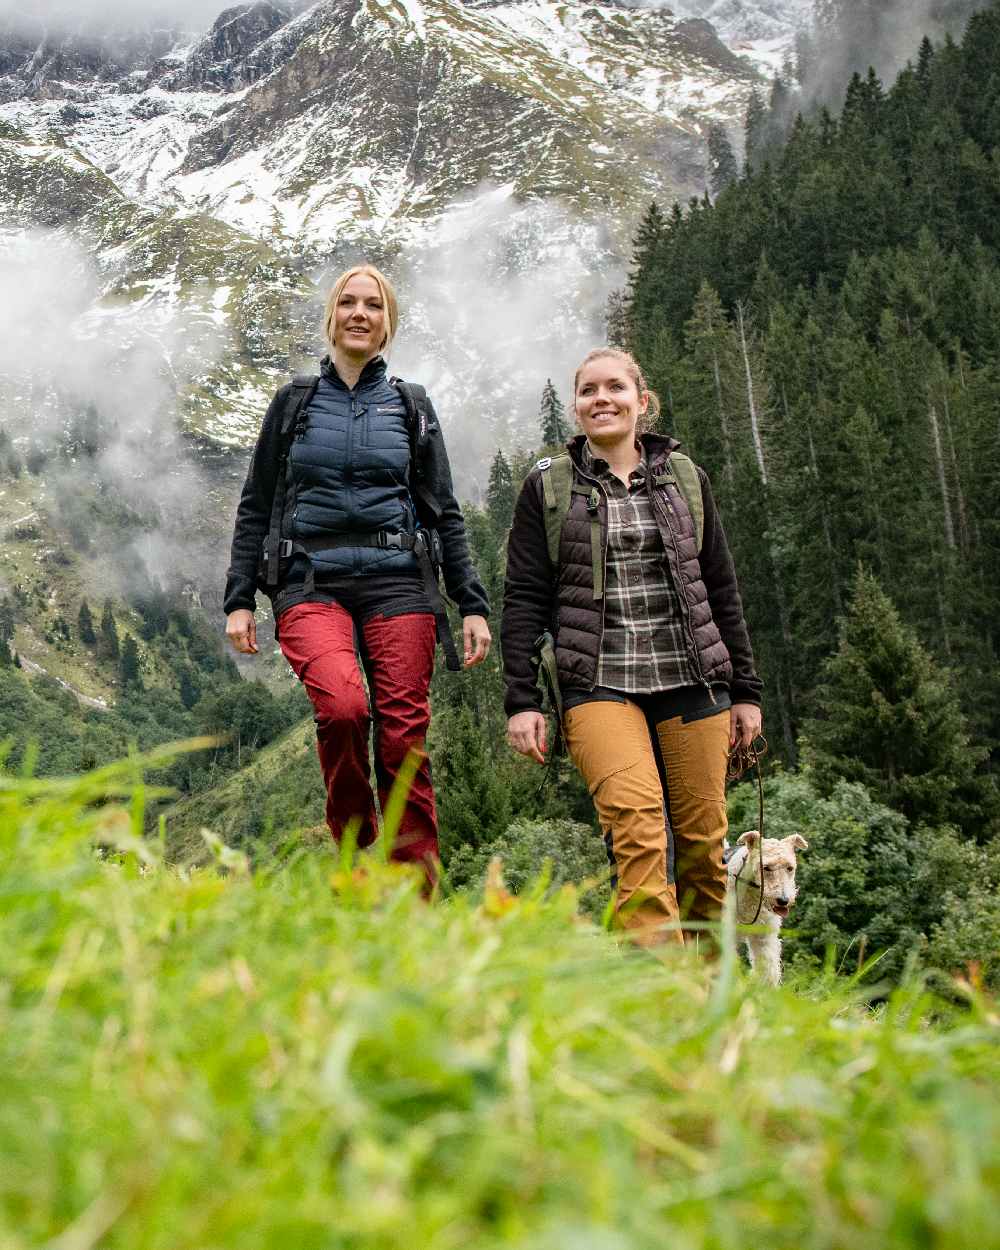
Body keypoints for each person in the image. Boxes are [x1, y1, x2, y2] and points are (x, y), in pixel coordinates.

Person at [223, 264, 491, 885]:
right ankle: (356, 845)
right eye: (349, 302)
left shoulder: (410, 406)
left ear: (388, 324)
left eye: (374, 305)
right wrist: (240, 598)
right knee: (343, 707)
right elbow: (256, 503)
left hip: (400, 583)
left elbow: (442, 511)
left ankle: (414, 900)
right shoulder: (293, 404)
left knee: (403, 739)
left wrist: (470, 603)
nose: (360, 313)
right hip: (309, 580)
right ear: (332, 316)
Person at [501, 347, 762, 948]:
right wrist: (522, 700)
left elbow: (721, 587)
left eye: (615, 388)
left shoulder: (685, 479)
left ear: (642, 402)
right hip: (598, 683)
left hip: (693, 676)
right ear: (576, 407)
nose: (602, 399)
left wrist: (745, 690)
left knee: (702, 848)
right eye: (589, 391)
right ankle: (664, 995)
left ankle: (709, 999)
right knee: (639, 831)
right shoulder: (548, 487)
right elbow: (524, 600)